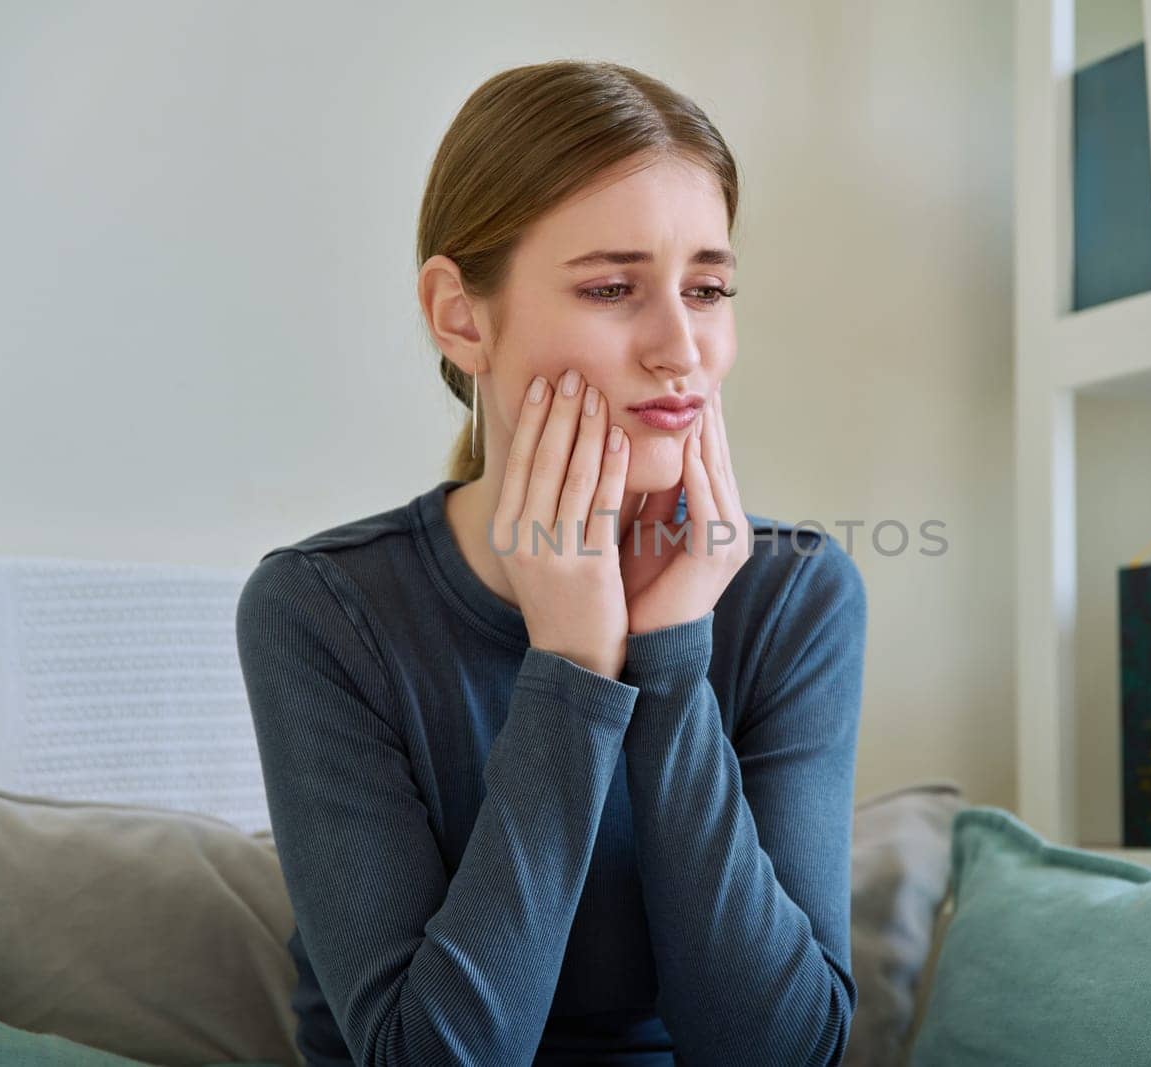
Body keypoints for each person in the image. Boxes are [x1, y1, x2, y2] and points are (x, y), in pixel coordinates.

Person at [235, 58, 867, 1067]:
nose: (680, 347)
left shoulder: (793, 593)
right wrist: (571, 666)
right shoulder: (322, 609)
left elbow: (780, 1053)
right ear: (459, 315)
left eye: (707, 288)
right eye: (613, 287)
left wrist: (669, 653)